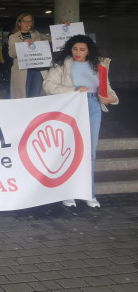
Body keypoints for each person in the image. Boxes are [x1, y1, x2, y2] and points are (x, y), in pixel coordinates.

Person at [42, 35, 119, 209]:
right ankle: (68, 192)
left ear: (89, 50)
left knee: (90, 152)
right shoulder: (62, 64)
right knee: (69, 150)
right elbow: (48, 85)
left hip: (92, 105)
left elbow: (107, 87)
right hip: (70, 106)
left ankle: (88, 193)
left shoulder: (98, 64)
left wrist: (112, 99)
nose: (78, 52)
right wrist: (74, 90)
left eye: (82, 49)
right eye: (75, 49)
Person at [8, 13, 51, 99]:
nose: (28, 24)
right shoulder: (13, 37)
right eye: (25, 21)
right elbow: (11, 53)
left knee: (35, 96)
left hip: (37, 71)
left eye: (30, 21)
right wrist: (22, 44)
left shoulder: (37, 34)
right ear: (19, 23)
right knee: (23, 96)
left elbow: (51, 39)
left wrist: (61, 27)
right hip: (22, 71)